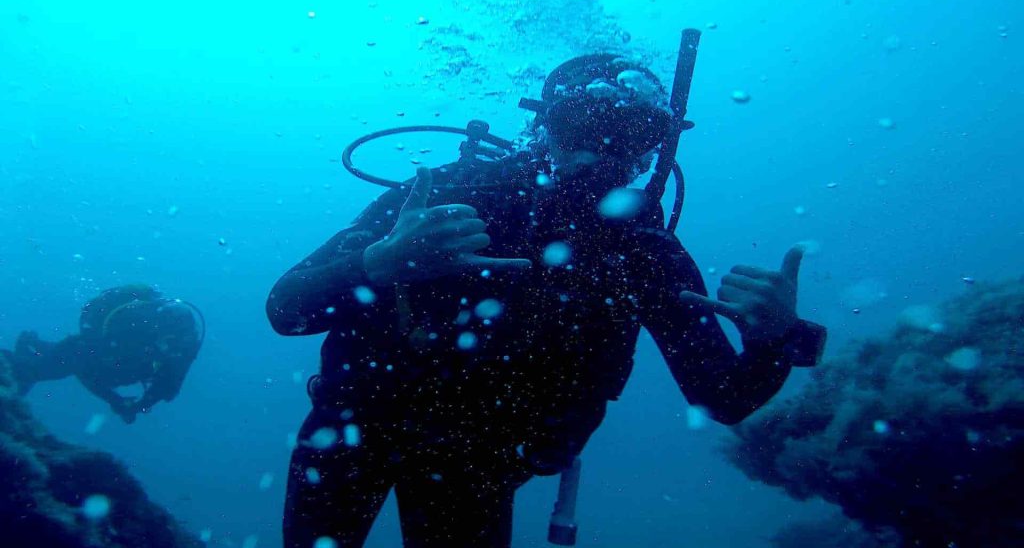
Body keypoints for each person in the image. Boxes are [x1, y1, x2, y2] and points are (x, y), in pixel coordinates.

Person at [267, 54, 827, 548]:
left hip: (478, 470)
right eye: (580, 124)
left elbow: (723, 399)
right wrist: (379, 263)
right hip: (352, 431)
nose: (600, 150)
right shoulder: (445, 197)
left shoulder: (641, 251)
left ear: (653, 148)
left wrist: (771, 340)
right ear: (545, 126)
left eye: (630, 133)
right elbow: (286, 310)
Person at [0, 284, 204, 423]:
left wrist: (137, 405)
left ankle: (32, 344)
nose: (170, 348)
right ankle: (22, 358)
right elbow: (84, 368)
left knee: (68, 362)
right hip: (94, 350)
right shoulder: (131, 332)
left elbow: (167, 389)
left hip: (107, 358)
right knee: (41, 370)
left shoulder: (183, 348)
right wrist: (114, 400)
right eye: (167, 341)